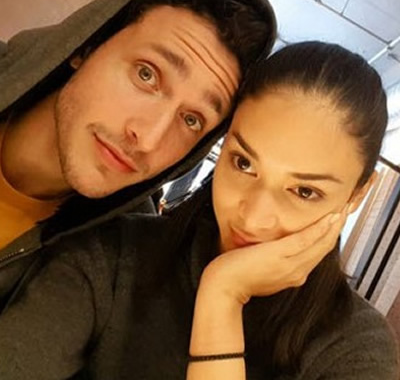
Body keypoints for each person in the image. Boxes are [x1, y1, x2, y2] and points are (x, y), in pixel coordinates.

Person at [0, 41, 397, 379]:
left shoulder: (354, 348)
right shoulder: (110, 257)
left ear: (357, 195)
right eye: (243, 163)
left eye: (305, 191)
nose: (254, 217)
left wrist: (223, 298)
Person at [0, 0, 276, 301]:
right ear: (87, 46)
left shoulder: (118, 267)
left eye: (191, 120)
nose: (147, 139)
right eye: (147, 75)